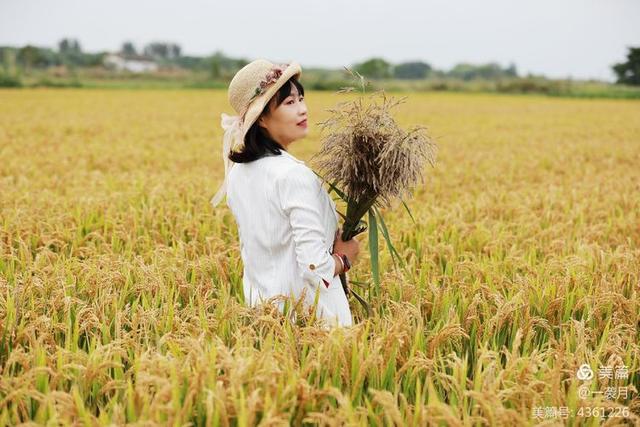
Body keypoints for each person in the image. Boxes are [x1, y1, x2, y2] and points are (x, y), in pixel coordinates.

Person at [210, 59, 360, 328]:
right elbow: (315, 268)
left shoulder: (238, 175)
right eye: (289, 103)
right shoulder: (294, 175)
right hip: (313, 324)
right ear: (262, 119)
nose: (303, 110)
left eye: (301, 98)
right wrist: (345, 257)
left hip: (265, 318)